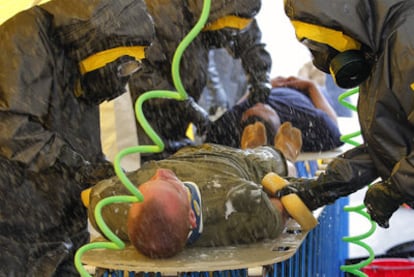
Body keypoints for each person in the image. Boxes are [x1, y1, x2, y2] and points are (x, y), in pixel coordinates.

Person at [0, 0, 155, 275]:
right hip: (17, 223)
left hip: (62, 220)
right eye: (123, 69)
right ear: (104, 51)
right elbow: (12, 128)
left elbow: (78, 133)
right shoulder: (23, 37)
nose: (121, 84)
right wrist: (76, 165)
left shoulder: (82, 54)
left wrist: (97, 172)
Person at [277, 0, 414, 229]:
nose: (321, 59)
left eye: (317, 44)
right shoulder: (378, 46)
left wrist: (396, 187)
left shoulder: (406, 47)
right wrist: (318, 190)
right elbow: (385, 145)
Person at [84, 121, 303, 258]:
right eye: (171, 184)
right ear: (191, 216)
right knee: (279, 168)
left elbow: (94, 195)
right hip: (232, 167)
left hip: (185, 157)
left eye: (151, 181)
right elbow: (280, 206)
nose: (162, 172)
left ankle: (255, 149)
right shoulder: (242, 205)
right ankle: (283, 150)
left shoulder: (110, 210)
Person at [129, 0, 272, 162]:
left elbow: (247, 37)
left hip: (177, 122)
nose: (227, 40)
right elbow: (139, 74)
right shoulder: (161, 14)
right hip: (142, 124)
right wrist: (183, 106)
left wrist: (261, 76)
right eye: (225, 32)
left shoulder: (230, 7)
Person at [205, 76, 343, 153]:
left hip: (274, 86)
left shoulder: (233, 121)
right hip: (308, 94)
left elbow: (244, 101)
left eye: (258, 106)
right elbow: (334, 127)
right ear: (280, 128)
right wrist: (310, 86)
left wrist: (266, 85)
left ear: (244, 116)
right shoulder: (303, 126)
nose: (260, 103)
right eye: (266, 109)